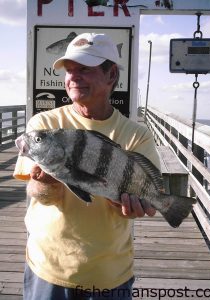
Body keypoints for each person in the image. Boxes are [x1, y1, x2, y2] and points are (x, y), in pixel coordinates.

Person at [14, 32, 161, 300]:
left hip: (109, 274)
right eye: (69, 71)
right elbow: (35, 192)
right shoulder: (44, 126)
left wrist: (135, 207)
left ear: (111, 75)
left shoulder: (138, 135)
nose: (73, 77)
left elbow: (146, 205)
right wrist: (43, 184)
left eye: (84, 69)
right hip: (48, 267)